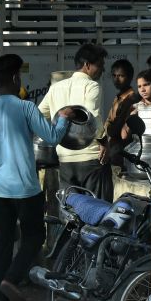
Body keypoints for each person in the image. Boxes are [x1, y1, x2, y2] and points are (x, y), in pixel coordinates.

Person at [0, 54, 73, 301]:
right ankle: (10, 280)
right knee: (34, 237)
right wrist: (63, 117)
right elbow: (52, 136)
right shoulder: (26, 108)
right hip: (26, 189)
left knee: (2, 241)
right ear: (15, 78)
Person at [38, 43, 110, 200]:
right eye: (100, 65)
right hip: (91, 159)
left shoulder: (56, 87)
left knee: (71, 213)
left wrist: (54, 136)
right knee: (97, 214)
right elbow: (93, 118)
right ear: (87, 65)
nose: (102, 70)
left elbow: (39, 115)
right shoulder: (92, 86)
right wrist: (104, 141)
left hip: (65, 161)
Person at [100, 59, 139, 170]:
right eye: (114, 75)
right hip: (114, 148)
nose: (116, 79)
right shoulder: (119, 97)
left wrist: (109, 127)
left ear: (130, 77)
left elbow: (116, 129)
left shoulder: (130, 99)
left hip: (122, 149)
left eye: (121, 76)